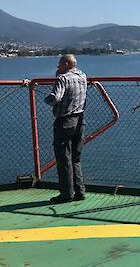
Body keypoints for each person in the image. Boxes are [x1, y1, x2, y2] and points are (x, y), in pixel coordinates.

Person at [44, 54, 87, 203]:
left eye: (60, 64)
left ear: (66, 64)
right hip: (79, 121)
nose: (58, 67)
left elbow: (55, 98)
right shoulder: (83, 76)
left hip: (64, 122)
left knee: (63, 159)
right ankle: (80, 191)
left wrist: (46, 99)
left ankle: (66, 194)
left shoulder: (63, 79)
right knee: (75, 158)